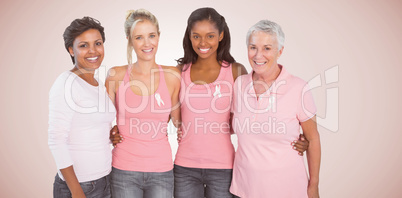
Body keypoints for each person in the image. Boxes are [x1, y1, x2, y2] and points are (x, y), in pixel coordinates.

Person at [110, 7, 310, 198]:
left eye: (210, 36)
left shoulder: (235, 71)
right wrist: (118, 129)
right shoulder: (179, 72)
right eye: (196, 35)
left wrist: (293, 136)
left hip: (223, 167)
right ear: (189, 36)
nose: (203, 42)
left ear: (221, 36)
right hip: (184, 168)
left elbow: (253, 111)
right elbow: (165, 114)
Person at [230, 20, 321, 198]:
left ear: (280, 51)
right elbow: (233, 126)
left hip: (287, 189)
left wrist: (314, 185)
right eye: (253, 47)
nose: (258, 55)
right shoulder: (239, 84)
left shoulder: (298, 88)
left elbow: (313, 139)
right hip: (243, 189)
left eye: (267, 48)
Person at [105, 9, 181, 198]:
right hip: (124, 169)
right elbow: (101, 121)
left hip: (161, 170)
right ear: (129, 40)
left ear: (159, 37)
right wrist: (110, 132)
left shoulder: (172, 76)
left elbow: (179, 123)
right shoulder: (116, 75)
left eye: (151, 36)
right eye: (139, 37)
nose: (147, 43)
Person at [48, 17, 115, 198]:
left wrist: (110, 136)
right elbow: (56, 140)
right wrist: (76, 190)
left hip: (105, 180)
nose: (93, 51)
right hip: (80, 186)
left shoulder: (98, 83)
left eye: (98, 43)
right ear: (71, 50)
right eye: (84, 45)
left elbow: (88, 128)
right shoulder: (66, 83)